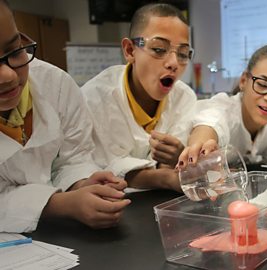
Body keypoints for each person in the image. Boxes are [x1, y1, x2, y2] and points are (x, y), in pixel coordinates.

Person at [0, 0, 130, 233]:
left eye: (14, 50)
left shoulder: (55, 84)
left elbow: (74, 157)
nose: (8, 75)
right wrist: (60, 204)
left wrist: (82, 183)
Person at [82, 3, 196, 191]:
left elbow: (168, 167)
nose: (174, 63)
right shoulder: (95, 99)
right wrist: (163, 177)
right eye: (159, 49)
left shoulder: (184, 97)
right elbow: (102, 170)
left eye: (183, 54)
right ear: (129, 50)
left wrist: (177, 156)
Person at [177, 44, 267, 167]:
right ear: (243, 81)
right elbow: (209, 124)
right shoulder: (224, 110)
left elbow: (265, 169)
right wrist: (199, 148)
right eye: (263, 85)